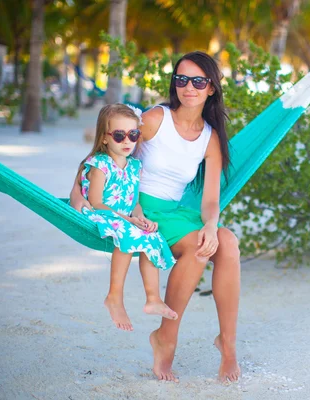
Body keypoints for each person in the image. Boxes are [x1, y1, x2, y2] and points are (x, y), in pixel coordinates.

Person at [70, 52, 241, 383]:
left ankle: (227, 344)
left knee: (227, 241)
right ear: (174, 83)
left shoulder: (211, 137)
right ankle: (167, 337)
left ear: (211, 89)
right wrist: (78, 193)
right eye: (181, 79)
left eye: (198, 81)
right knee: (198, 251)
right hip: (139, 207)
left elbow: (210, 199)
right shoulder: (156, 119)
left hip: (176, 212)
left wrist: (210, 225)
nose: (188, 87)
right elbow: (104, 153)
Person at [76, 103, 178, 332]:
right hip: (100, 214)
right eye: (119, 135)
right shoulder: (99, 165)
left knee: (152, 235)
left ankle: (153, 298)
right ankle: (114, 296)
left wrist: (140, 218)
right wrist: (127, 220)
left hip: (125, 217)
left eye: (133, 135)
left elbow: (135, 203)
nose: (127, 142)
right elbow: (96, 202)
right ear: (104, 138)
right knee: (128, 234)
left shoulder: (134, 166)